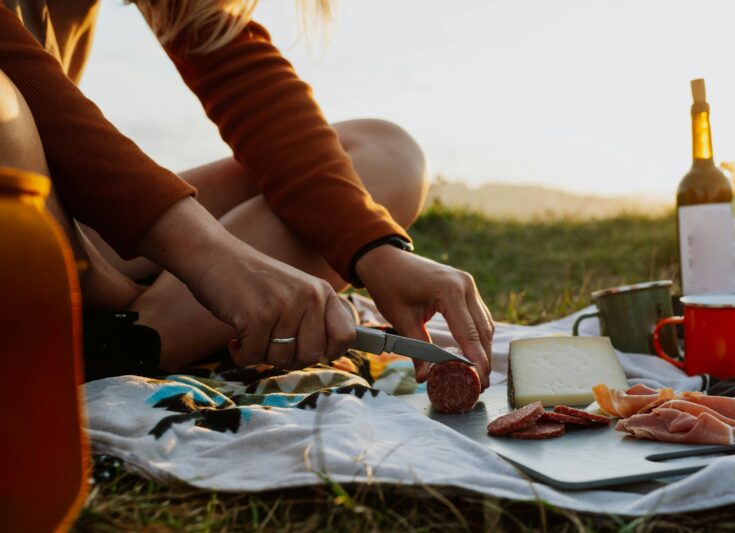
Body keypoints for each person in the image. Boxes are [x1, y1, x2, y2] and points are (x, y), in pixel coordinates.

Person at [0, 0, 495, 385]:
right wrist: (212, 257)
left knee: (388, 154)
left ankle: (134, 338)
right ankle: (117, 320)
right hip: (21, 229)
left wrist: (375, 251)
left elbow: (245, 81)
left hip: (57, 232)